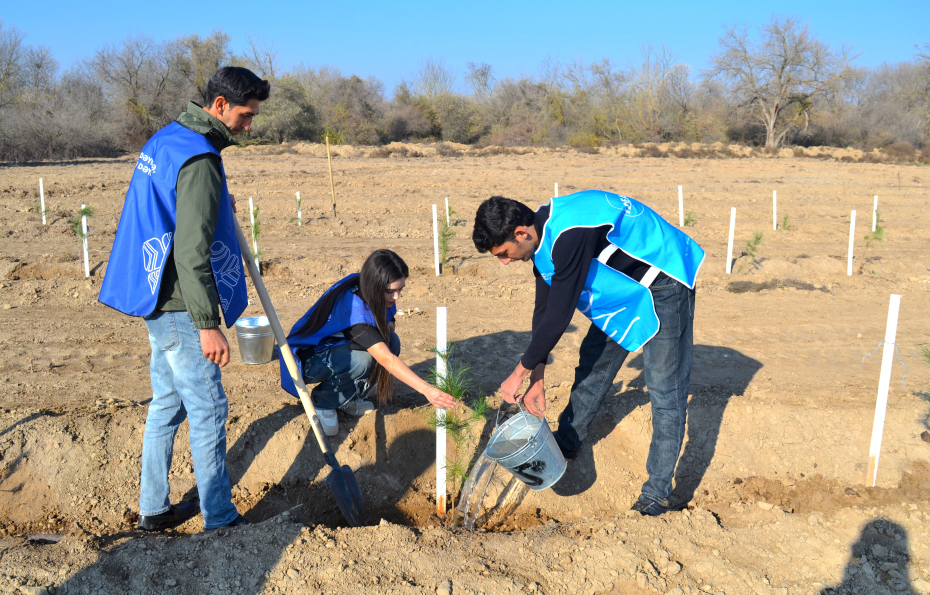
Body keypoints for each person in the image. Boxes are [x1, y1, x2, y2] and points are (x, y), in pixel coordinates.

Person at [99, 67, 270, 531]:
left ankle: (153, 509)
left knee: (167, 404)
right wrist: (207, 324)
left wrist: (214, 204)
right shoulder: (200, 159)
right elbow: (191, 253)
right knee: (208, 408)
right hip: (180, 304)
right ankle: (220, 517)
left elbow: (170, 206)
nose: (248, 126)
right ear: (220, 105)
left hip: (154, 295)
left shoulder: (168, 138)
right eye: (245, 115)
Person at [472, 191, 703, 516]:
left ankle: (657, 495)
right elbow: (544, 311)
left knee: (665, 391)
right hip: (622, 291)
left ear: (520, 233)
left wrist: (518, 373)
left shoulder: (569, 233)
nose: (505, 262)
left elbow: (560, 315)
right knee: (593, 362)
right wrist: (537, 377)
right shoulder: (540, 241)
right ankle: (567, 442)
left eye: (503, 253)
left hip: (664, 281)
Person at [280, 249, 455, 435]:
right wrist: (427, 390)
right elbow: (386, 359)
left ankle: (347, 397)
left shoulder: (369, 287)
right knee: (362, 360)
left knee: (392, 342)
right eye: (390, 291)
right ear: (375, 285)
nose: (396, 297)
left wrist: (384, 327)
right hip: (306, 360)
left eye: (400, 289)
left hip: (335, 348)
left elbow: (389, 324)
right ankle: (324, 402)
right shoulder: (356, 313)